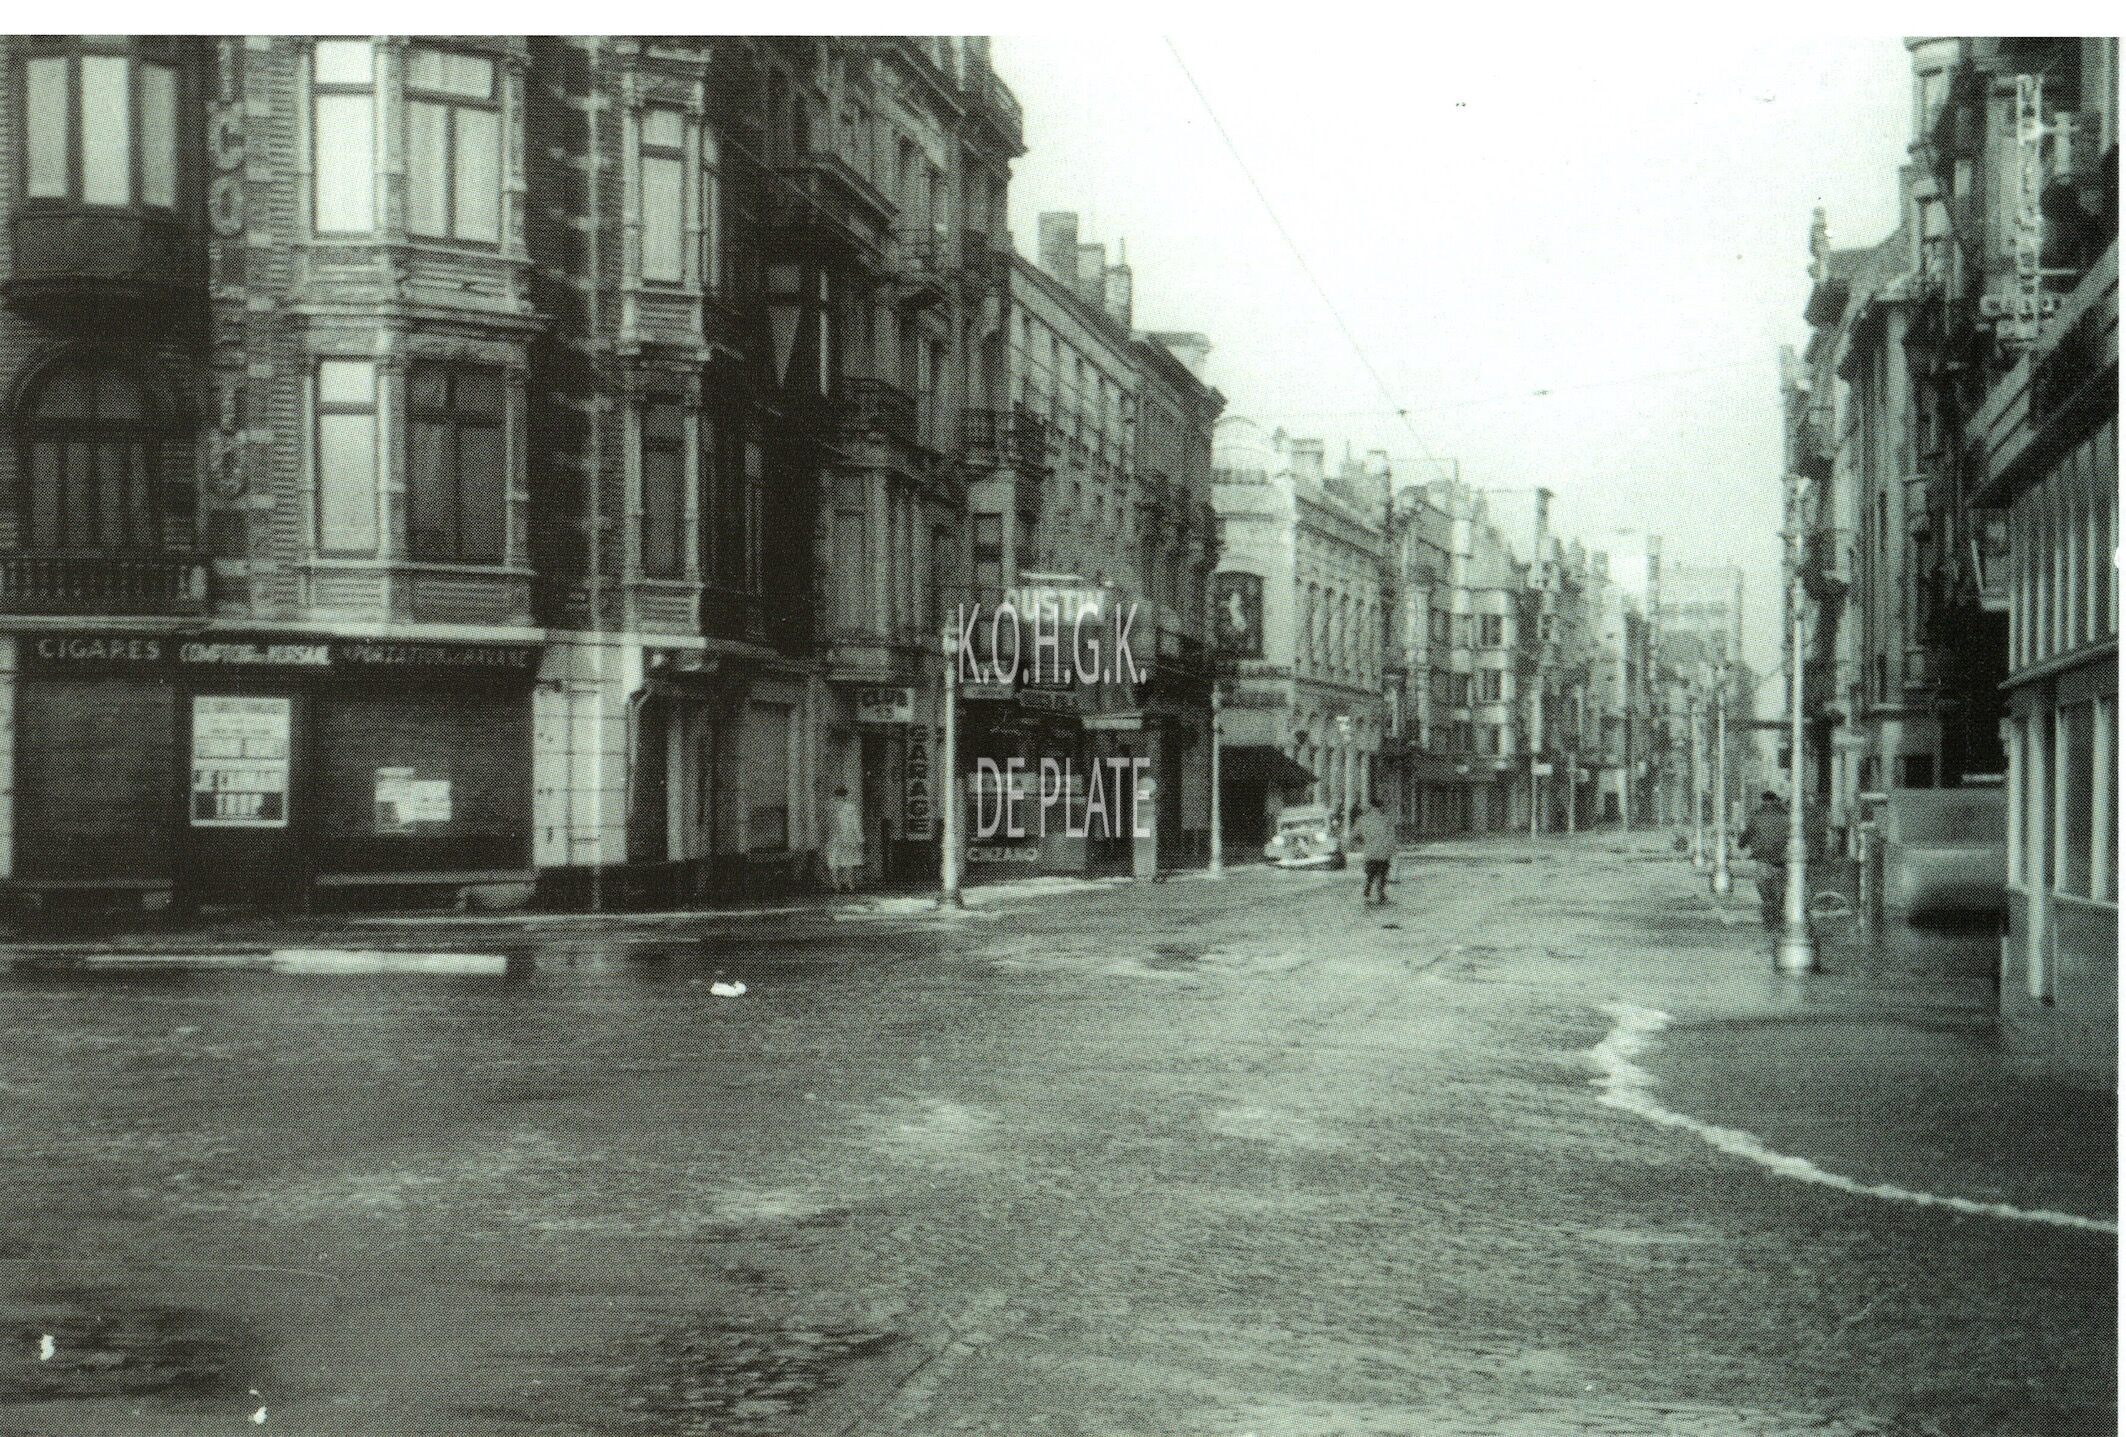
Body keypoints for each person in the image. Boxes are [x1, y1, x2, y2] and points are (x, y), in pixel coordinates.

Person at [1740, 790, 1790, 929]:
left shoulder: (1756, 815)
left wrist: (1741, 844)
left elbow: (1748, 833)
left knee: (1764, 888)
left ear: (1763, 800)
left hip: (1763, 857)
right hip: (1781, 859)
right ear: (1776, 800)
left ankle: (1769, 914)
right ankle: (1778, 912)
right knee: (1780, 887)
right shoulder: (1786, 815)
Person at [1352, 802, 1397, 906]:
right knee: (1383, 874)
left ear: (1371, 807)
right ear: (1380, 807)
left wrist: (1362, 843)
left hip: (1370, 852)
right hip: (1383, 852)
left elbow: (1354, 835)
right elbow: (1391, 837)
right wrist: (1393, 850)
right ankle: (1381, 894)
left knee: (1370, 874)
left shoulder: (1362, 820)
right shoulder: (1386, 820)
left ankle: (1367, 892)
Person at [825, 786, 864, 893]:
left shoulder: (831, 808)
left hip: (834, 837)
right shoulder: (851, 807)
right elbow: (856, 824)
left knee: (834, 861)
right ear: (846, 796)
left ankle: (835, 884)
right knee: (848, 861)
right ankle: (849, 884)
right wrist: (860, 839)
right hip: (848, 837)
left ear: (835, 796)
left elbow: (827, 824)